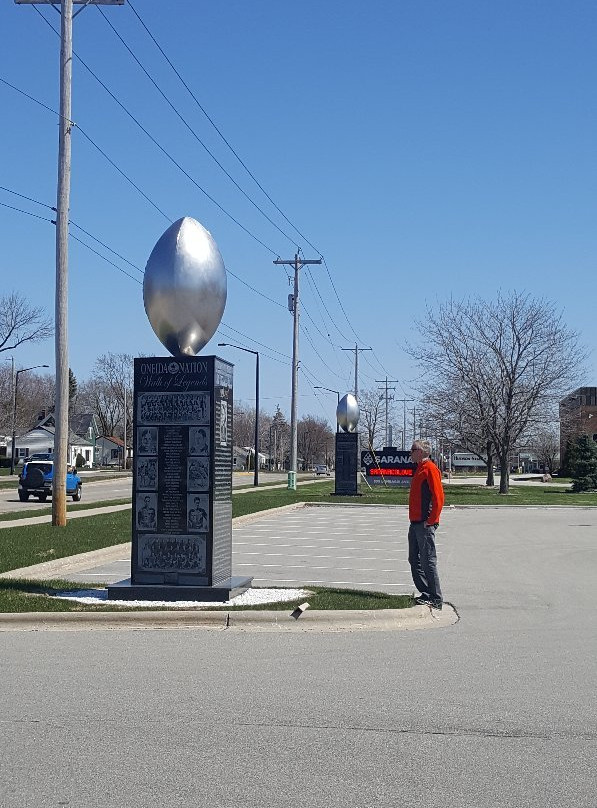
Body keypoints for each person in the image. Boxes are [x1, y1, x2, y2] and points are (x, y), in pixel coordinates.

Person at [408, 439, 444, 609]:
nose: (410, 452)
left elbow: (439, 497)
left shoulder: (430, 469)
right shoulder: (419, 469)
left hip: (424, 523)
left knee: (428, 561)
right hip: (414, 522)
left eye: (413, 449)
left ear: (421, 452)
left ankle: (436, 598)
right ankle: (426, 593)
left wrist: (431, 521)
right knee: (414, 559)